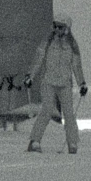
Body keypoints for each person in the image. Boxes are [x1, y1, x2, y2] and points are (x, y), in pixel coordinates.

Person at [26, 17, 86, 154]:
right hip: (48, 82)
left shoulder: (72, 45)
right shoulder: (47, 42)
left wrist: (81, 83)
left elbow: (76, 66)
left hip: (65, 83)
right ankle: (34, 141)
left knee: (69, 114)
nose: (57, 30)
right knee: (46, 110)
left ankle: (72, 142)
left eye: (60, 27)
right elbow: (38, 60)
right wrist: (30, 76)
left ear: (66, 29)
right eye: (55, 26)